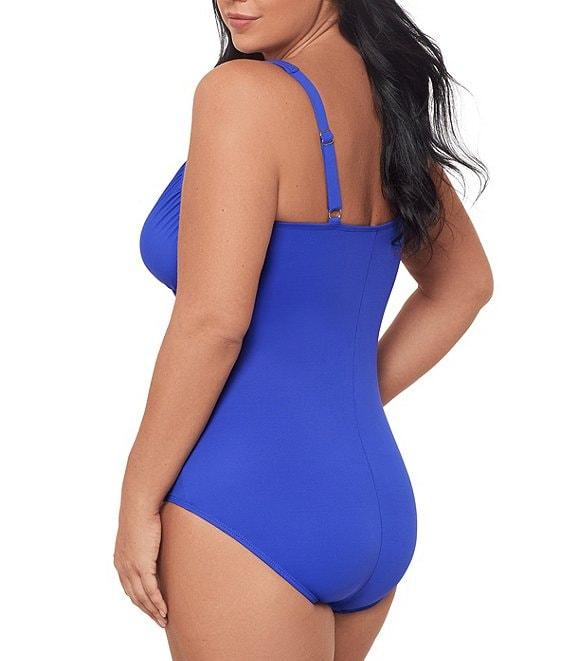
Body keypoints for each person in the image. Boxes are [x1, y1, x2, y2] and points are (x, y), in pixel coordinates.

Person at [114, 1, 493, 658]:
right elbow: (463, 286)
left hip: (246, 502)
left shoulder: (240, 93)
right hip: (370, 493)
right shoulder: (386, 102)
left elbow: (213, 323)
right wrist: (343, 402)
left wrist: (137, 496)